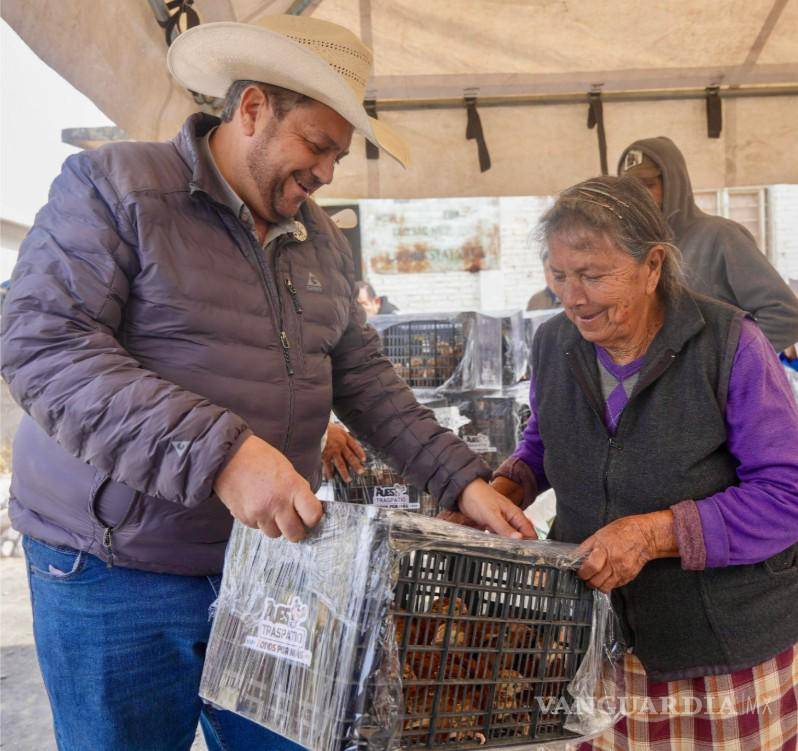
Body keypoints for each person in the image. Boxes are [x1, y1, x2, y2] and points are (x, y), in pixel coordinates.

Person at [0, 15, 534, 750]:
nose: (327, 173)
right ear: (252, 108)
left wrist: (460, 479)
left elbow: (365, 378)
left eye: (337, 155)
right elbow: (44, 346)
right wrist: (223, 454)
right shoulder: (114, 188)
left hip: (269, 566)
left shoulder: (320, 239)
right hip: (113, 568)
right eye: (317, 145)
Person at [489, 176, 798, 750]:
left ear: (652, 265)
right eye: (559, 275)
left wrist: (654, 533)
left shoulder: (729, 343)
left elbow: (787, 494)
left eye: (592, 275)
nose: (572, 297)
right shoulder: (554, 342)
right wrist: (506, 487)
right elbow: (546, 438)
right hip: (599, 642)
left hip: (722, 649)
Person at [618, 136, 798, 355]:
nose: (638, 197)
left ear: (674, 185)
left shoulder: (720, 236)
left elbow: (784, 315)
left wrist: (729, 363)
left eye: (648, 185)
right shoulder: (632, 250)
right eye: (630, 189)